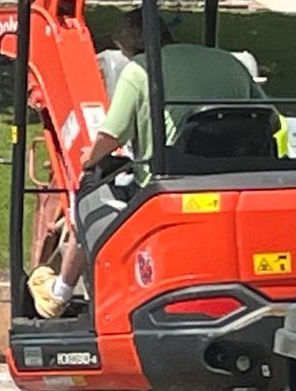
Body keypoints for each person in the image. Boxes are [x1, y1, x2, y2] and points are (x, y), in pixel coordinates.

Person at [29, 20, 258, 317]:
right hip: (235, 178)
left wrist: (89, 158)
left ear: (130, 46)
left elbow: (112, 135)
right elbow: (269, 117)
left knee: (89, 197)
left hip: (168, 183)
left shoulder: (140, 69)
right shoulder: (229, 63)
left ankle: (60, 293)